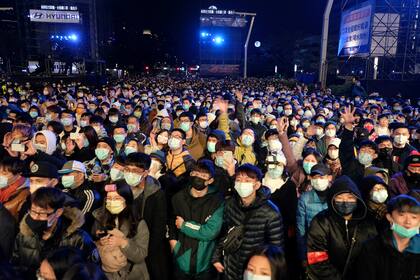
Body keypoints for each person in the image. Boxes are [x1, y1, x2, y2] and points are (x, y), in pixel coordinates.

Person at [212, 164, 284, 280]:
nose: (241, 184)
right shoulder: (230, 204)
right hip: (230, 267)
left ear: (257, 185)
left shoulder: (271, 212)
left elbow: (275, 248)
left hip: (254, 271)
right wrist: (216, 256)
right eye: (238, 180)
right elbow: (224, 233)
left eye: (247, 180)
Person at [12, 188, 98, 277]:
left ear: (58, 212)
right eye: (33, 212)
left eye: (42, 214)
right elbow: (15, 266)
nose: (35, 218)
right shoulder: (24, 234)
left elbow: (90, 273)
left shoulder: (78, 238)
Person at [306, 175, 378, 280]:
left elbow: (374, 257)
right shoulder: (321, 221)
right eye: (339, 197)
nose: (345, 202)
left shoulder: (367, 223)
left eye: (350, 197)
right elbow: (317, 260)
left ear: (358, 199)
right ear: (332, 199)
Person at [169, 160, 224, 279]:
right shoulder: (178, 198)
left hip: (205, 262)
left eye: (203, 176)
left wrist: (184, 225)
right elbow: (172, 222)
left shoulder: (217, 202)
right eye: (196, 174)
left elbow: (210, 231)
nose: (198, 178)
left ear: (210, 180)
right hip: (181, 258)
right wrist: (173, 243)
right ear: (190, 175)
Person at [123, 152, 168, 280]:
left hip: (146, 248)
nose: (130, 173)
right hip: (123, 245)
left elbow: (158, 228)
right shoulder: (120, 188)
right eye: (127, 169)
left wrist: (147, 253)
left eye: (135, 171)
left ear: (146, 173)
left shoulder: (156, 194)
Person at [92, 181, 149, 280]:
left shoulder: (138, 223)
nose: (112, 201)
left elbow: (141, 255)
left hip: (133, 275)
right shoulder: (99, 219)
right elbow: (92, 245)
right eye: (109, 198)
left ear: (126, 200)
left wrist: (123, 243)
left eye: (117, 198)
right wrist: (99, 243)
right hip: (107, 275)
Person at [356, 194, 420, 280]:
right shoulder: (372, 247)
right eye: (402, 215)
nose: (408, 222)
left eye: (414, 217)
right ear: (390, 217)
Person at [296, 164, 331, 269]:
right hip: (313, 248)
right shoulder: (305, 198)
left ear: (329, 178)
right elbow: (300, 229)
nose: (318, 180)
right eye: (314, 177)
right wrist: (303, 256)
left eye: (321, 177)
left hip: (332, 247)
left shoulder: (335, 196)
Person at [58, 160, 101, 230]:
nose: (63, 177)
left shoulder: (90, 195)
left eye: (67, 174)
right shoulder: (64, 191)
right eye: (63, 174)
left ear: (81, 175)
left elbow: (81, 221)